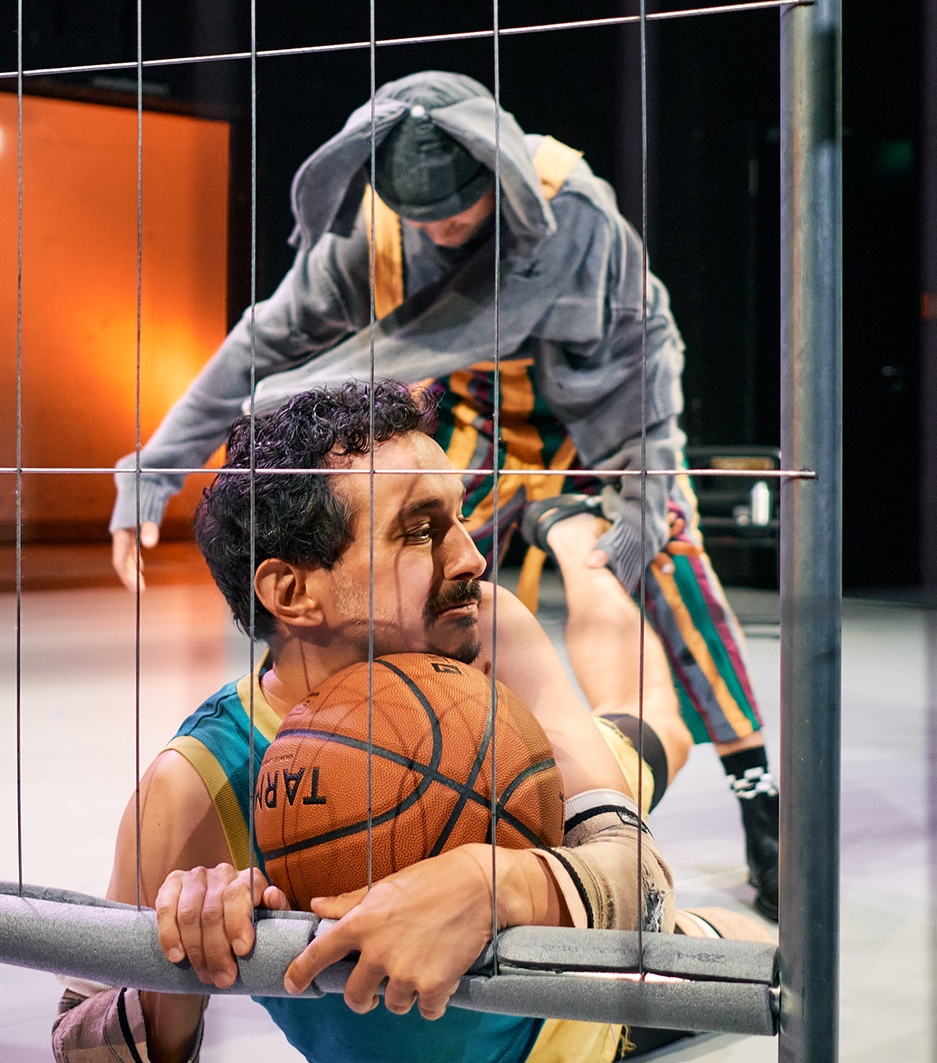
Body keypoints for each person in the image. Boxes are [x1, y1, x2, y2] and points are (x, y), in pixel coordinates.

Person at [108, 71, 779, 916]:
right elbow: (263, 340)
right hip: (482, 427)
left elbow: (645, 359)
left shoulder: (573, 213)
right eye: (420, 213)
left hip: (611, 434)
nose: (441, 226)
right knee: (403, 579)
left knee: (670, 569)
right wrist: (152, 471)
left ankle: (760, 799)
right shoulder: (375, 237)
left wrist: (647, 500)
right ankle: (364, 763)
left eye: (458, 208)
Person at [58, 381, 769, 1063]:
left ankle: (586, 548)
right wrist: (172, 973)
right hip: (511, 801)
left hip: (580, 1018)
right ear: (291, 590)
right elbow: (78, 1039)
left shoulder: (484, 629)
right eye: (421, 530)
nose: (474, 555)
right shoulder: (194, 788)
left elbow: (641, 880)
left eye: (460, 516)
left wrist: (497, 885)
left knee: (664, 747)